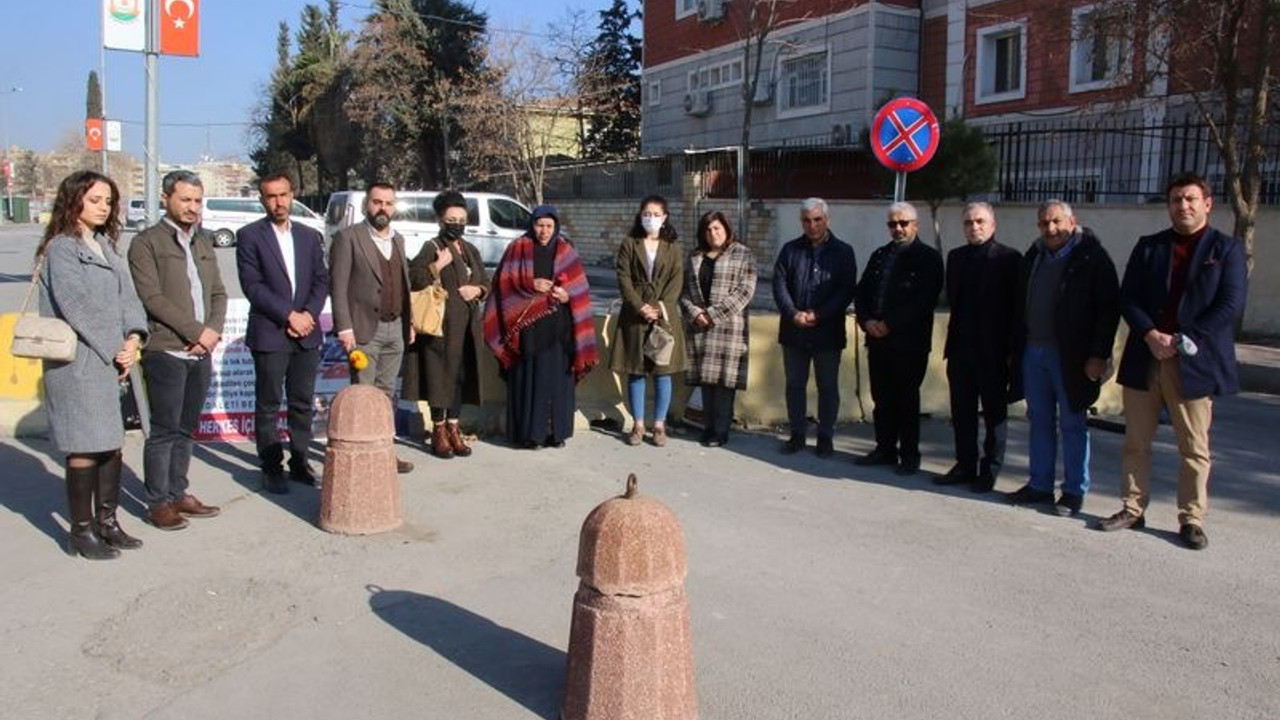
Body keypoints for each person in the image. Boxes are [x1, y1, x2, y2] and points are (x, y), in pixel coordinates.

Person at [1099, 173, 1248, 550]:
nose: (1183, 206)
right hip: (1146, 355)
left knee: (1194, 448)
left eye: (1190, 199)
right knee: (1136, 441)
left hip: (1194, 361)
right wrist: (1150, 334)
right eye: (1176, 200)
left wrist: (1185, 339)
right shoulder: (1150, 247)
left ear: (1207, 203)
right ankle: (1132, 508)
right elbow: (1128, 297)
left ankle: (1191, 519)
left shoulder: (1225, 249)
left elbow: (1229, 304)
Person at [36, 170, 149, 559]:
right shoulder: (62, 248)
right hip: (79, 364)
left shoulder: (106, 245)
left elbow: (129, 298)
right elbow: (76, 307)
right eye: (95, 200)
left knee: (111, 445)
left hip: (112, 359)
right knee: (85, 447)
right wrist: (115, 348)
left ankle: (108, 523)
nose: (104, 207)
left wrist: (134, 337)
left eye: (108, 201)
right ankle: (81, 533)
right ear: (74, 201)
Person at [127, 170, 227, 531]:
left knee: (186, 428)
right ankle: (158, 502)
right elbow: (151, 298)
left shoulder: (202, 241)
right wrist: (195, 331)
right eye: (185, 199)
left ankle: (178, 491)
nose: (192, 207)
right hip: (167, 350)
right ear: (167, 198)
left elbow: (217, 292)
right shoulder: (147, 243)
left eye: (198, 201)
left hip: (201, 351)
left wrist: (211, 332)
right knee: (164, 430)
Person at [1007, 200, 1120, 516]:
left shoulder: (1092, 258)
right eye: (1044, 223)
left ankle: (1073, 492)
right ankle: (1040, 485)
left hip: (1071, 356)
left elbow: (1108, 309)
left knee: (1072, 423)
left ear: (1072, 222)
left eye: (1056, 222)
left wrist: (1098, 354)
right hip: (1034, 351)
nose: (1050, 229)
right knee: (1039, 421)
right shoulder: (1034, 255)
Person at [235, 173, 330, 494]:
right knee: (269, 404)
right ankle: (271, 466)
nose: (279, 202)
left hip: (307, 333)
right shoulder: (249, 236)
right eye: (271, 197)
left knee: (302, 402)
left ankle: (300, 462)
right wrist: (289, 315)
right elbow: (253, 286)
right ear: (263, 200)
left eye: (284, 195)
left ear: (293, 195)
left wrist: (307, 316)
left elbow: (321, 279)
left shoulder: (308, 235)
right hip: (271, 332)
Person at [483, 205, 598, 449]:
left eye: (548, 226)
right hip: (527, 331)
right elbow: (502, 284)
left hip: (559, 329)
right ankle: (530, 435)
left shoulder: (567, 250)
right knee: (530, 380)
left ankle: (555, 434)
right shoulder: (517, 248)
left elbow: (581, 289)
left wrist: (568, 296)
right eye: (539, 225)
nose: (544, 231)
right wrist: (528, 283)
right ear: (531, 224)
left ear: (555, 226)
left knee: (557, 382)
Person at [853, 202, 944, 476]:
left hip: (908, 342)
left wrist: (889, 324)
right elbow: (863, 292)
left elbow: (924, 300)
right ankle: (885, 448)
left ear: (915, 225)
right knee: (882, 398)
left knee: (906, 399)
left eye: (904, 223)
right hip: (877, 339)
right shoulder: (880, 255)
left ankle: (909, 455)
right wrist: (867, 321)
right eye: (893, 224)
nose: (898, 229)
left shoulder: (928, 257)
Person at [329, 182, 415, 473]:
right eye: (377, 202)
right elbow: (338, 287)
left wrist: (410, 321)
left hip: (396, 328)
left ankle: (385, 452)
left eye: (389, 203)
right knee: (364, 394)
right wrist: (344, 328)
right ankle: (363, 456)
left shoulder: (398, 240)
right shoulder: (348, 238)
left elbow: (403, 284)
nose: (383, 208)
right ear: (368, 204)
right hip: (364, 329)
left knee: (386, 394)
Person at [936, 202, 1020, 492]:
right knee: (962, 412)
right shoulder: (956, 257)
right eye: (969, 223)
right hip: (960, 349)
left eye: (980, 221)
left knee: (995, 415)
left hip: (994, 353)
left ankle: (990, 469)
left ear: (993, 225)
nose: (974, 227)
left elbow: (1015, 310)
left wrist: (1011, 353)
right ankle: (965, 464)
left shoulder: (1009, 259)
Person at [403, 190, 490, 459]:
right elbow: (414, 277)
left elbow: (486, 281)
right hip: (442, 328)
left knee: (460, 379)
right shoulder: (433, 246)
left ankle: (455, 428)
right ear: (441, 220)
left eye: (461, 219)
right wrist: (436, 267)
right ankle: (439, 430)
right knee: (439, 378)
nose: (457, 224)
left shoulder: (471, 249)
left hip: (466, 328)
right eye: (451, 219)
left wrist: (477, 290)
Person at [771, 198, 858, 457]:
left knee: (827, 387)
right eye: (807, 220)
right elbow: (779, 285)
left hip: (827, 333)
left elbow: (846, 290)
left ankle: (825, 436)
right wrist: (792, 313)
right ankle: (797, 434)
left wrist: (819, 314)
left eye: (817, 219)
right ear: (802, 222)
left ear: (827, 220)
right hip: (794, 331)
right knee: (795, 384)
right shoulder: (789, 250)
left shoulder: (843, 251)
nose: (812, 225)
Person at [610, 195, 686, 447]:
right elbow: (623, 278)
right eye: (646, 213)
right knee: (636, 371)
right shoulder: (629, 243)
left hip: (663, 316)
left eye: (656, 214)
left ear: (665, 217)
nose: (650, 218)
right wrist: (640, 306)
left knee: (663, 372)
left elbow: (676, 282)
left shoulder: (673, 247)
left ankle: (660, 425)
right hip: (635, 315)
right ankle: (639, 424)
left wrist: (659, 308)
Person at [680, 211, 758, 447]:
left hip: (727, 328)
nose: (713, 233)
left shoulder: (743, 254)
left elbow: (745, 291)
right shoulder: (695, 256)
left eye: (717, 228)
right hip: (700, 328)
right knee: (707, 382)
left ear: (726, 228)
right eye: (708, 229)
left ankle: (720, 431)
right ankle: (708, 426)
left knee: (724, 383)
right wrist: (696, 314)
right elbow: (684, 292)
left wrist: (712, 315)